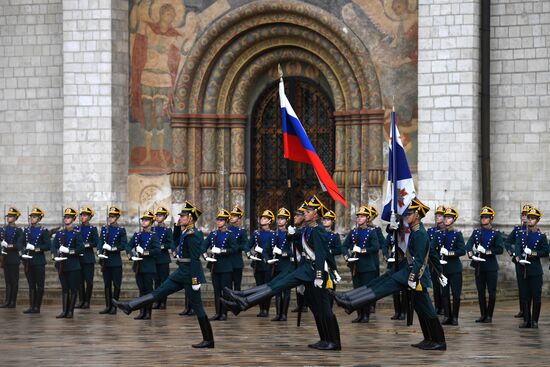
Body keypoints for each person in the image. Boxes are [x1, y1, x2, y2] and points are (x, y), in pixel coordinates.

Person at [222, 196, 342, 351]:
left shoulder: (318, 231)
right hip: (305, 272)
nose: (305, 212)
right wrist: (292, 233)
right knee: (315, 308)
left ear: (316, 215)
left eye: (309, 211)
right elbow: (298, 240)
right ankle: (325, 339)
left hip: (313, 273)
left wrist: (319, 275)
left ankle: (334, 342)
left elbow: (320, 254)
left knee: (322, 307)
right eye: (305, 210)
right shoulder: (308, 229)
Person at [333, 198, 447, 351]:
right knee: (419, 308)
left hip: (415, 277)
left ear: (418, 215)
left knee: (424, 308)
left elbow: (421, 259)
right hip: (408, 272)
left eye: (409, 213)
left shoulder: (420, 233)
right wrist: (440, 273)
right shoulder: (415, 231)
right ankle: (429, 338)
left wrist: (414, 277)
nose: (407, 216)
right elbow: (432, 254)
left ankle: (439, 341)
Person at [114, 201, 214, 348]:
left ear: (191, 219)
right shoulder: (185, 231)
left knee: (197, 306)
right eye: (180, 216)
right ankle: (130, 306)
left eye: (183, 216)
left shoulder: (193, 236)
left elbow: (194, 259)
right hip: (181, 272)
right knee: (159, 292)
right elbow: (174, 241)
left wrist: (195, 280)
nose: (180, 218)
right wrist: (177, 228)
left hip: (189, 273)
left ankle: (209, 340)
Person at [466, 206, 504, 323]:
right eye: (482, 217)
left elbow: (500, 249)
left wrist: (486, 251)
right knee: (480, 291)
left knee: (491, 292)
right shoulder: (476, 232)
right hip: (479, 266)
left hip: (491, 266)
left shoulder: (496, 234)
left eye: (486, 217)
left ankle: (489, 315)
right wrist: (471, 254)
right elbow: (468, 245)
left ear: (491, 219)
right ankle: (483, 314)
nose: (483, 219)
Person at [342, 206, 380, 323]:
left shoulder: (371, 232)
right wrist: (347, 257)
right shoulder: (353, 232)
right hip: (355, 266)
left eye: (362, 216)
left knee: (365, 292)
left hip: (368, 266)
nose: (359, 218)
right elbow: (344, 246)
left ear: (367, 218)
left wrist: (362, 250)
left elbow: (375, 247)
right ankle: (359, 315)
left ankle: (366, 315)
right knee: (357, 291)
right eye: (358, 216)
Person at [513, 207, 549, 328]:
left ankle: (534, 321)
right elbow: (517, 248)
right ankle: (526, 320)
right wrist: (518, 258)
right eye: (528, 217)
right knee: (524, 295)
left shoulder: (541, 236)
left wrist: (533, 252)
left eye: (532, 218)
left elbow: (545, 251)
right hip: (523, 269)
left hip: (535, 270)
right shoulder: (521, 234)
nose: (529, 220)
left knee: (536, 296)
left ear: (537, 220)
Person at [204, 209, 237, 321]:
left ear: (226, 221)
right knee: (216, 291)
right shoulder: (213, 234)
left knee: (225, 291)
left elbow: (234, 249)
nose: (219, 222)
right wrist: (205, 255)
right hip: (215, 266)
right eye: (218, 219)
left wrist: (221, 251)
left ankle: (224, 313)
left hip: (226, 266)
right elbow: (203, 246)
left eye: (221, 220)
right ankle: (218, 313)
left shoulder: (230, 235)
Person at [434, 207, 465, 326]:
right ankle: (447, 316)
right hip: (443, 269)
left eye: (449, 218)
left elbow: (462, 250)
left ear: (453, 220)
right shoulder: (438, 234)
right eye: (445, 217)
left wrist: (449, 253)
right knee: (444, 293)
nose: (446, 219)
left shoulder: (457, 234)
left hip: (455, 268)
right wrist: (437, 257)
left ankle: (455, 317)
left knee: (456, 293)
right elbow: (432, 249)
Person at [52, 208, 84, 318]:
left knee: (73, 288)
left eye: (69, 217)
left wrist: (69, 251)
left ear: (74, 219)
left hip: (73, 264)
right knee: (64, 288)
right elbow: (54, 247)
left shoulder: (77, 233)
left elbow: (81, 249)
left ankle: (70, 311)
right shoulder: (59, 233)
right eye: (65, 217)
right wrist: (55, 256)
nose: (66, 219)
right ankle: (64, 311)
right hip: (61, 265)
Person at [128, 210, 161, 320]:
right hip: (138, 266)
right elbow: (128, 246)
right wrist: (131, 255)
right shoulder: (137, 235)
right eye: (143, 220)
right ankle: (142, 312)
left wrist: (145, 252)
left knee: (148, 290)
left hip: (148, 266)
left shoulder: (153, 236)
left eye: (146, 220)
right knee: (141, 289)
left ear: (151, 222)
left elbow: (157, 250)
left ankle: (148, 313)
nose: (143, 222)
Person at [245, 209, 276, 317]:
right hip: (258, 264)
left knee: (267, 288)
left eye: (265, 218)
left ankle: (266, 309)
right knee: (259, 287)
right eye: (262, 218)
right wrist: (249, 253)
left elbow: (275, 249)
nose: (262, 219)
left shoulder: (273, 234)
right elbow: (247, 246)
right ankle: (261, 309)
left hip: (268, 264)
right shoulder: (256, 233)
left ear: (269, 221)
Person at [98, 206, 128, 315]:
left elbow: (124, 245)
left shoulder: (121, 230)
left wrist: (112, 248)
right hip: (106, 260)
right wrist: (99, 250)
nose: (111, 218)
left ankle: (114, 307)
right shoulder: (104, 229)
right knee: (107, 284)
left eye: (113, 216)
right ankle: (108, 306)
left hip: (115, 260)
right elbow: (100, 242)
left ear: (117, 217)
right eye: (110, 216)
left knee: (116, 285)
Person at [504, 203, 532, 319]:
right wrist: (513, 254)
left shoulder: (534, 230)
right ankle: (522, 310)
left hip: (530, 261)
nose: (524, 217)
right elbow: (507, 242)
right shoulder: (517, 230)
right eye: (523, 214)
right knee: (521, 286)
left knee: (530, 286)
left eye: (527, 215)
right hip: (519, 261)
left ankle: (528, 311)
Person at [21, 208, 51, 314]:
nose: (32, 219)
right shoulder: (26, 230)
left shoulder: (43, 231)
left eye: (34, 217)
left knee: (40, 285)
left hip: (38, 261)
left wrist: (35, 248)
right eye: (31, 217)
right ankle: (31, 306)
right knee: (31, 285)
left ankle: (37, 307)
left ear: (39, 218)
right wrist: (23, 249)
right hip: (28, 261)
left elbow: (48, 245)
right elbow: (21, 243)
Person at [271, 207, 294, 321]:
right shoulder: (274, 234)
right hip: (276, 265)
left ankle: (284, 314)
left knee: (286, 291)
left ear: (287, 220)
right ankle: (278, 314)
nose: (280, 220)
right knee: (277, 290)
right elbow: (268, 249)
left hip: (287, 265)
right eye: (279, 218)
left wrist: (282, 253)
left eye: (283, 218)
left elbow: (293, 251)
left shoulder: (290, 234)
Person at [75, 207, 99, 309]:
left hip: (88, 258)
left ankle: (87, 301)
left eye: (85, 215)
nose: (82, 217)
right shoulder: (77, 228)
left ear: (89, 217)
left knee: (88, 281)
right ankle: (81, 300)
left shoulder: (93, 229)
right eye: (82, 215)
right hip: (78, 257)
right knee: (79, 280)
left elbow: (96, 242)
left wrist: (87, 244)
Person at [0, 207, 24, 309]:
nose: (8, 218)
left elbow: (19, 245)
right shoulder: (3, 229)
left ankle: (13, 301)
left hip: (14, 258)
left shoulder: (19, 230)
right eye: (8, 216)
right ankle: (7, 301)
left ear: (15, 218)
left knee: (14, 280)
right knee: (7, 280)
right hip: (5, 257)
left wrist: (8, 245)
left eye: (11, 216)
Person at [152, 207, 173, 310]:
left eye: (160, 215)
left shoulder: (167, 230)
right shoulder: (152, 229)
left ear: (165, 217)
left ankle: (163, 302)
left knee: (164, 281)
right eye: (157, 215)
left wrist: (160, 246)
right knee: (156, 281)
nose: (158, 217)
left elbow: (170, 243)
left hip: (163, 258)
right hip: (154, 259)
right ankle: (157, 301)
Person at [427, 205, 446, 315]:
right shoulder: (431, 231)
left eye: (440, 215)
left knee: (443, 286)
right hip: (434, 263)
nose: (438, 217)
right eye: (437, 215)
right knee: (435, 286)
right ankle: (437, 307)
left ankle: (444, 307)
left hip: (444, 262)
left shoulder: (447, 231)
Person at [322, 209, 342, 309]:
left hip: (329, 264)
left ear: (332, 222)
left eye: (328, 219)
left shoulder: (334, 236)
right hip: (320, 263)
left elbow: (339, 249)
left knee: (330, 289)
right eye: (324, 219)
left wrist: (329, 251)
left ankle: (329, 309)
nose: (325, 221)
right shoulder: (318, 233)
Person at [367, 206, 384, 314]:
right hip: (361, 261)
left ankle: (372, 305)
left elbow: (382, 243)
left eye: (369, 216)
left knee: (373, 284)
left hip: (372, 261)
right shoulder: (357, 230)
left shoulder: (376, 229)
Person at [228, 206, 247, 292]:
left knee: (237, 286)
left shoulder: (242, 231)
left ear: (239, 219)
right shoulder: (227, 229)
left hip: (237, 262)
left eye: (234, 216)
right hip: (227, 261)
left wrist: (236, 247)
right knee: (227, 287)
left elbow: (245, 245)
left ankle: (236, 305)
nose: (231, 217)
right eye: (231, 215)